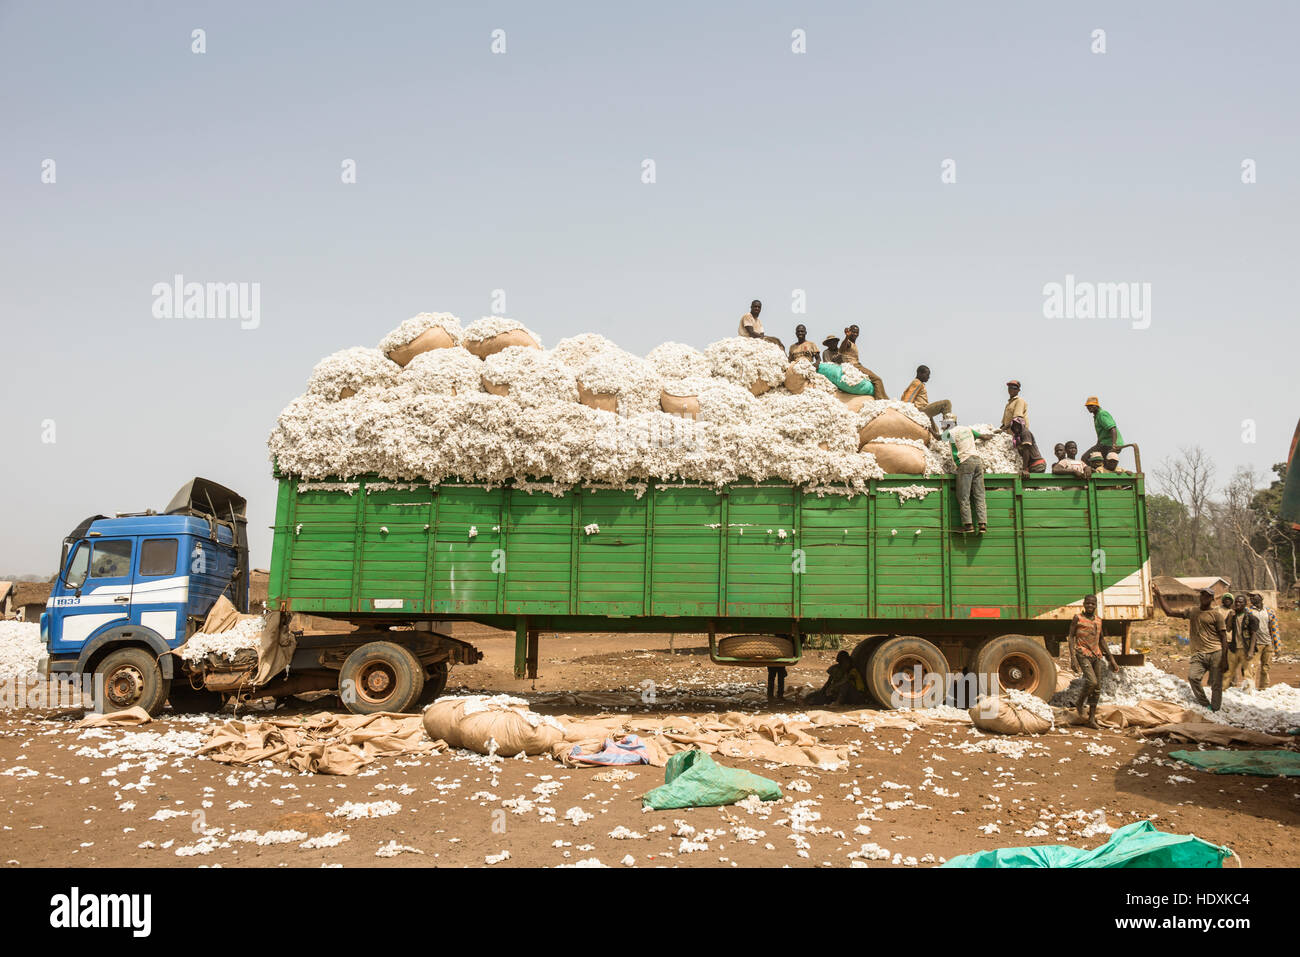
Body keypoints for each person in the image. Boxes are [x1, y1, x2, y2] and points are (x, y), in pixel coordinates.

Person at [1153, 585, 1228, 711]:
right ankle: (1205, 705)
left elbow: (1224, 637)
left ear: (1211, 598)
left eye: (1206, 595)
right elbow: (1169, 612)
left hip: (1216, 652)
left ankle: (1215, 709)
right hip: (1198, 654)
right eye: (1201, 595)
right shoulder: (1193, 611)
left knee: (1216, 684)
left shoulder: (1217, 615)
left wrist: (1225, 659)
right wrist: (1159, 595)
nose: (1202, 597)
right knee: (1193, 677)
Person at [1067, 594, 1119, 728]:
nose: (1090, 606)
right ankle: (1079, 702)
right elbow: (1071, 636)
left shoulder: (1098, 620)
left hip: (1096, 655)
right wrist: (1073, 658)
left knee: (1097, 688)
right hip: (1082, 653)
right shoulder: (1077, 618)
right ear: (1083, 604)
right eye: (1088, 603)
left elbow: (1101, 640)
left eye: (1093, 604)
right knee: (1092, 681)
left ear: (1096, 605)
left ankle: (1091, 720)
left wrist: (1112, 660)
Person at [940, 415, 989, 534]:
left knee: (963, 495)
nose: (942, 426)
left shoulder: (950, 433)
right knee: (979, 494)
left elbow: (938, 437)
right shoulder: (967, 429)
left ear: (948, 424)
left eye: (943, 424)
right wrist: (993, 435)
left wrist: (930, 426)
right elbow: (983, 436)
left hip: (965, 463)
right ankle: (982, 524)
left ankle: (968, 525)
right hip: (977, 461)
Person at [900, 365, 952, 438]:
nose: (928, 377)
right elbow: (907, 399)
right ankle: (949, 430)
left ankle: (943, 436)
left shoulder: (919, 384)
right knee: (946, 403)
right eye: (927, 374)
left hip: (923, 410)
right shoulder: (917, 383)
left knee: (936, 432)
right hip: (920, 410)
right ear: (920, 373)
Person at [839, 325, 888, 399]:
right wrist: (846, 337)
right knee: (877, 380)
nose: (855, 334)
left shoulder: (853, 344)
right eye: (853, 332)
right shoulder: (848, 343)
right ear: (850, 332)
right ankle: (881, 399)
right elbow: (841, 350)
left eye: (857, 332)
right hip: (854, 365)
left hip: (858, 364)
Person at [1224, 594, 1261, 688]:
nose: (1237, 603)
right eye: (1236, 602)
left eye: (1240, 602)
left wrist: (1251, 651)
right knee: (1228, 672)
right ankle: (1223, 692)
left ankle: (1248, 693)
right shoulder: (1232, 615)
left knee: (1247, 673)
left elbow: (1254, 634)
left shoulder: (1250, 617)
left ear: (1245, 604)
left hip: (1246, 649)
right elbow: (1228, 629)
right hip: (1234, 648)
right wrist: (1230, 617)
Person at [1083, 397, 1124, 471]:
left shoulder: (1102, 414)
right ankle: (1096, 473)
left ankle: (1097, 475)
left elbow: (1113, 429)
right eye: (1088, 406)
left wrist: (1114, 444)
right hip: (1104, 443)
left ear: (1096, 406)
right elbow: (1101, 433)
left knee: (1086, 458)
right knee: (1093, 459)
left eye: (1091, 405)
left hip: (1110, 443)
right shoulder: (1096, 416)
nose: (1089, 408)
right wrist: (1097, 444)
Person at [1249, 592, 1280, 689]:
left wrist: (1277, 647)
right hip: (1255, 644)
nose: (1251, 599)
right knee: (1253, 667)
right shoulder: (1248, 611)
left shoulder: (1269, 612)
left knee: (1265, 668)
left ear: (1261, 598)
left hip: (1267, 643)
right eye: (1251, 597)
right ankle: (1251, 688)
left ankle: (1264, 688)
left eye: (1254, 596)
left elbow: (1275, 630)